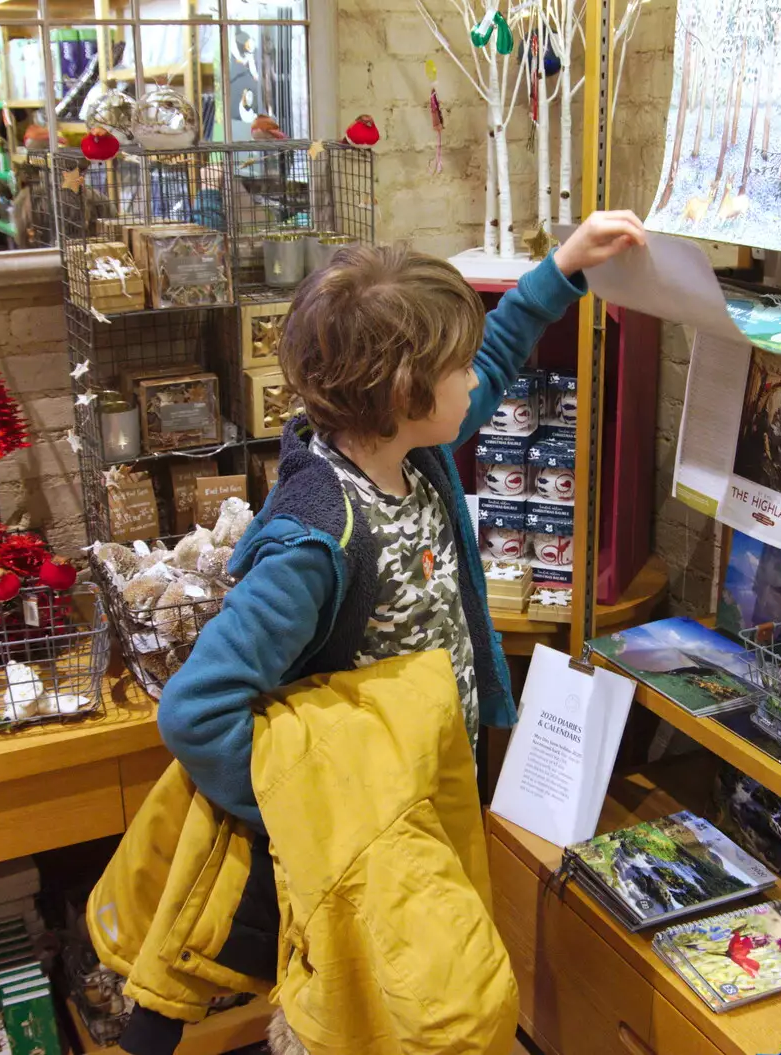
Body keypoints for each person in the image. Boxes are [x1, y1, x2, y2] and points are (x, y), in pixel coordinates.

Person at [148, 211, 645, 1054]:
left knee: (420, 998)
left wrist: (563, 266)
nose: (473, 380)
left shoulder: (415, 453)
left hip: (429, 792)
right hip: (366, 830)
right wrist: (313, 815)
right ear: (408, 390)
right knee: (370, 1015)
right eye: (453, 367)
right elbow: (196, 710)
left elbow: (493, 361)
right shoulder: (318, 536)